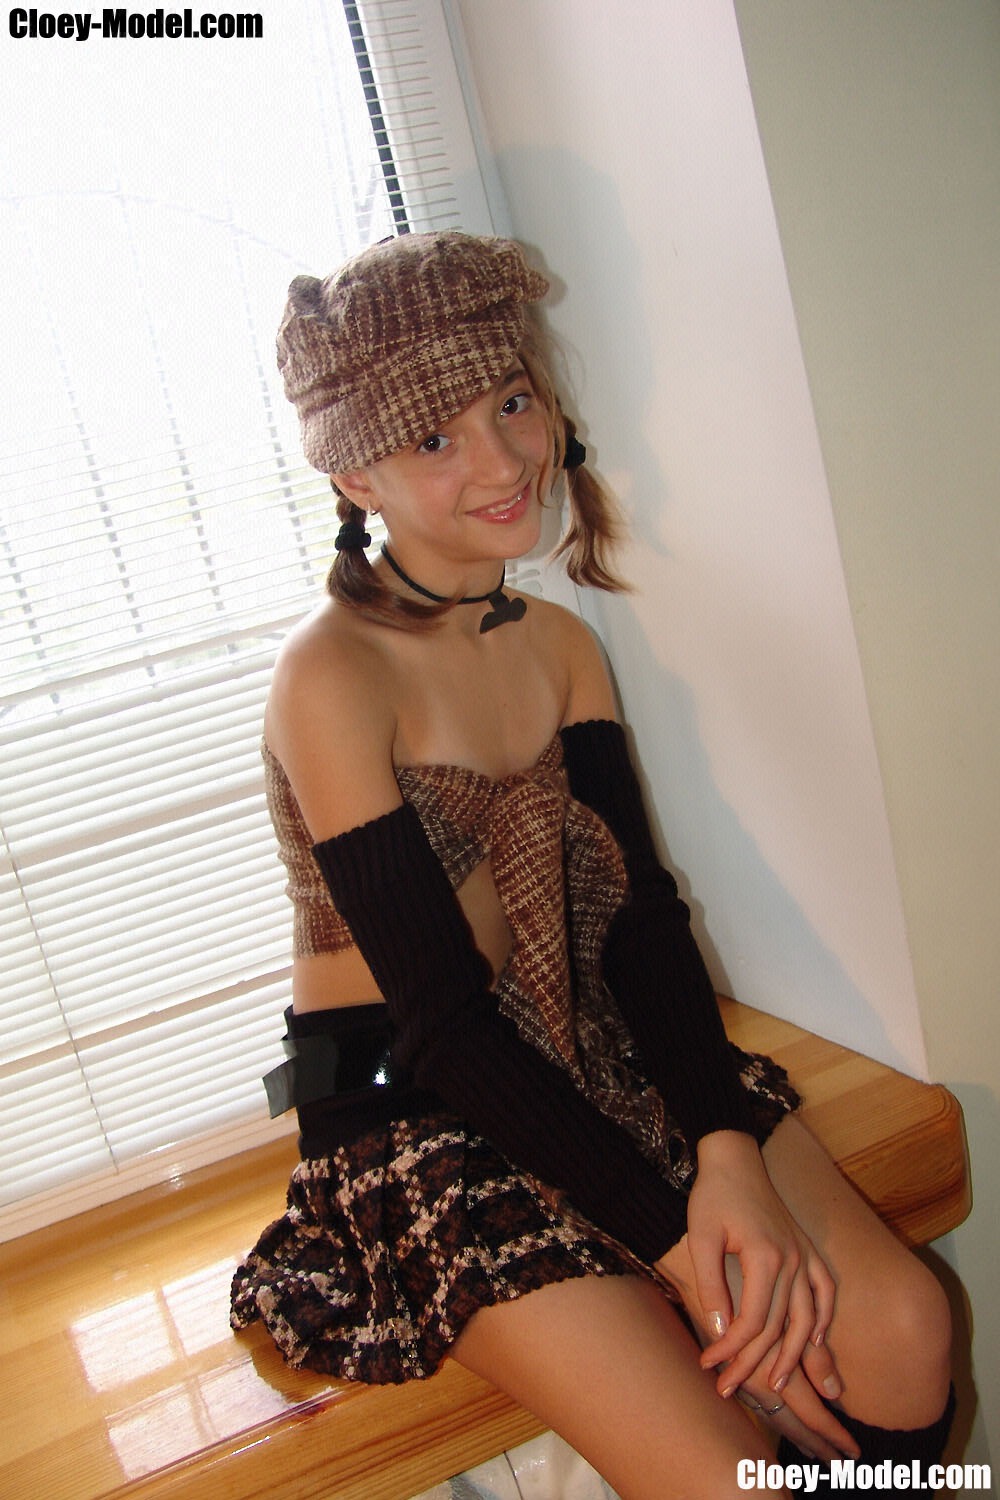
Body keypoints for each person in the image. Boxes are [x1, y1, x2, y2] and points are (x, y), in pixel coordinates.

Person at [230, 232, 954, 1499]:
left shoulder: (559, 646)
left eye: (512, 402)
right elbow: (445, 1021)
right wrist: (681, 1246)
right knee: (733, 1476)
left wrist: (725, 1152)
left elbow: (641, 926)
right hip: (420, 1114)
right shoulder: (330, 678)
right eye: (435, 437)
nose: (503, 459)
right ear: (353, 474)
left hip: (590, 1051)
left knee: (905, 1332)